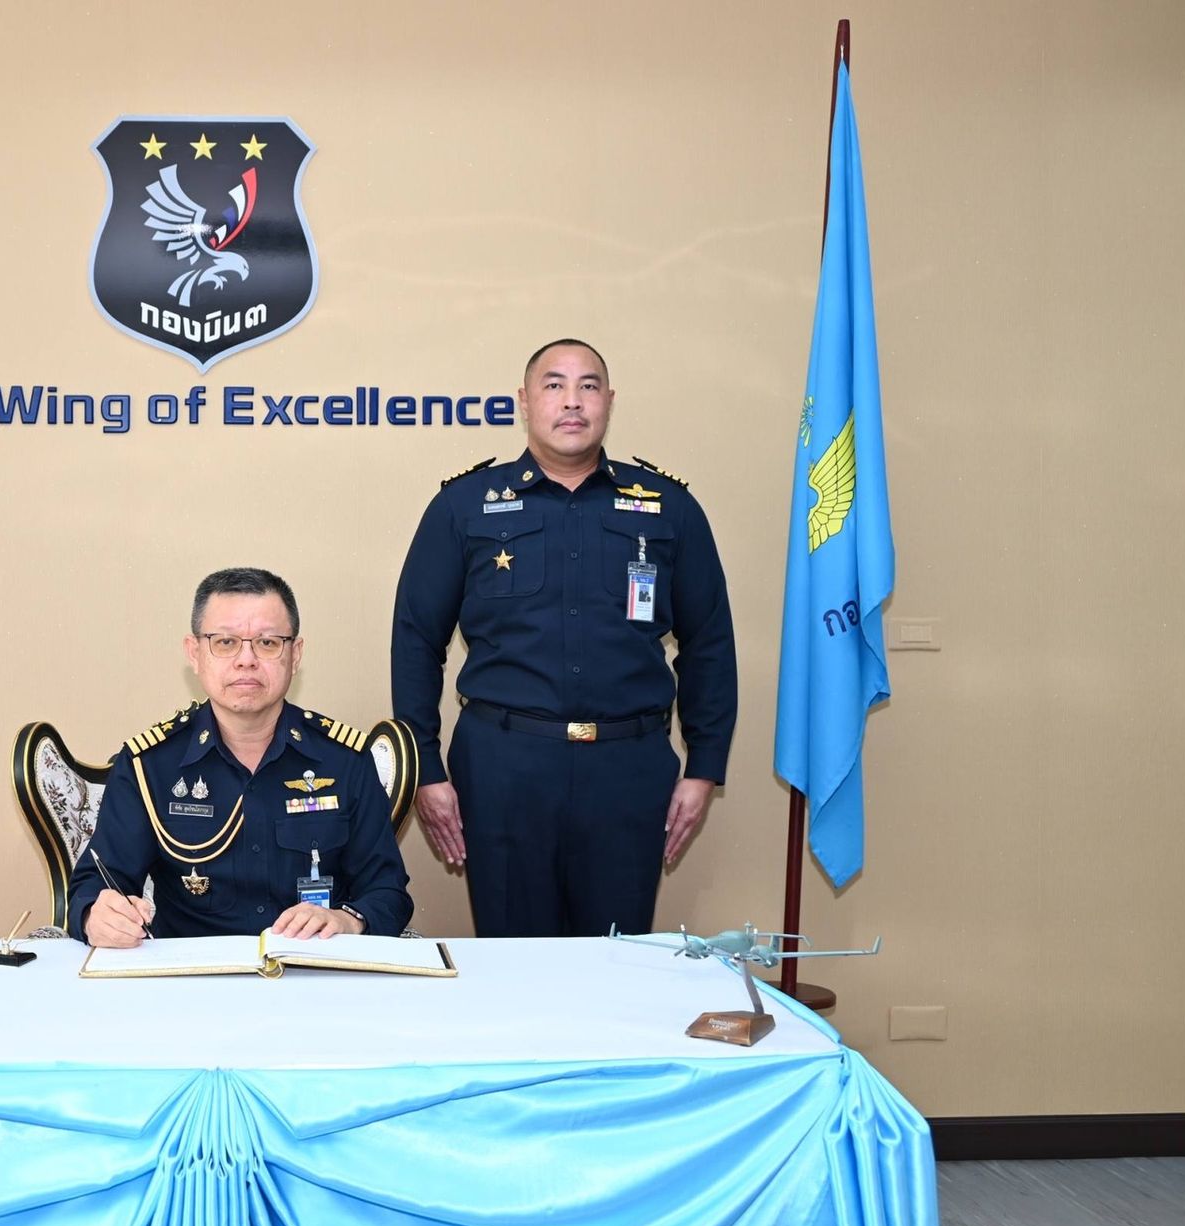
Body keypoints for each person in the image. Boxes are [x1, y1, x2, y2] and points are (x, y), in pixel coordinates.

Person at [390, 338, 737, 937]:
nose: (572, 401)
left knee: (616, 955)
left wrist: (704, 767)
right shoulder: (463, 506)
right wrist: (425, 768)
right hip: (503, 768)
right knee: (516, 956)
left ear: (609, 402)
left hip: (628, 770)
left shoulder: (669, 508)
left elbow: (709, 644)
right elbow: (416, 640)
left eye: (588, 386)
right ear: (524, 402)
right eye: (554, 385)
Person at [70, 568, 414, 947]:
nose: (246, 659)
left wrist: (347, 920)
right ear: (195, 653)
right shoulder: (148, 765)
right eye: (225, 642)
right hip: (190, 975)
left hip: (313, 970)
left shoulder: (344, 760)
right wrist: (96, 915)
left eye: (267, 643)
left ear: (295, 655)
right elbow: (97, 882)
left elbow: (387, 891)